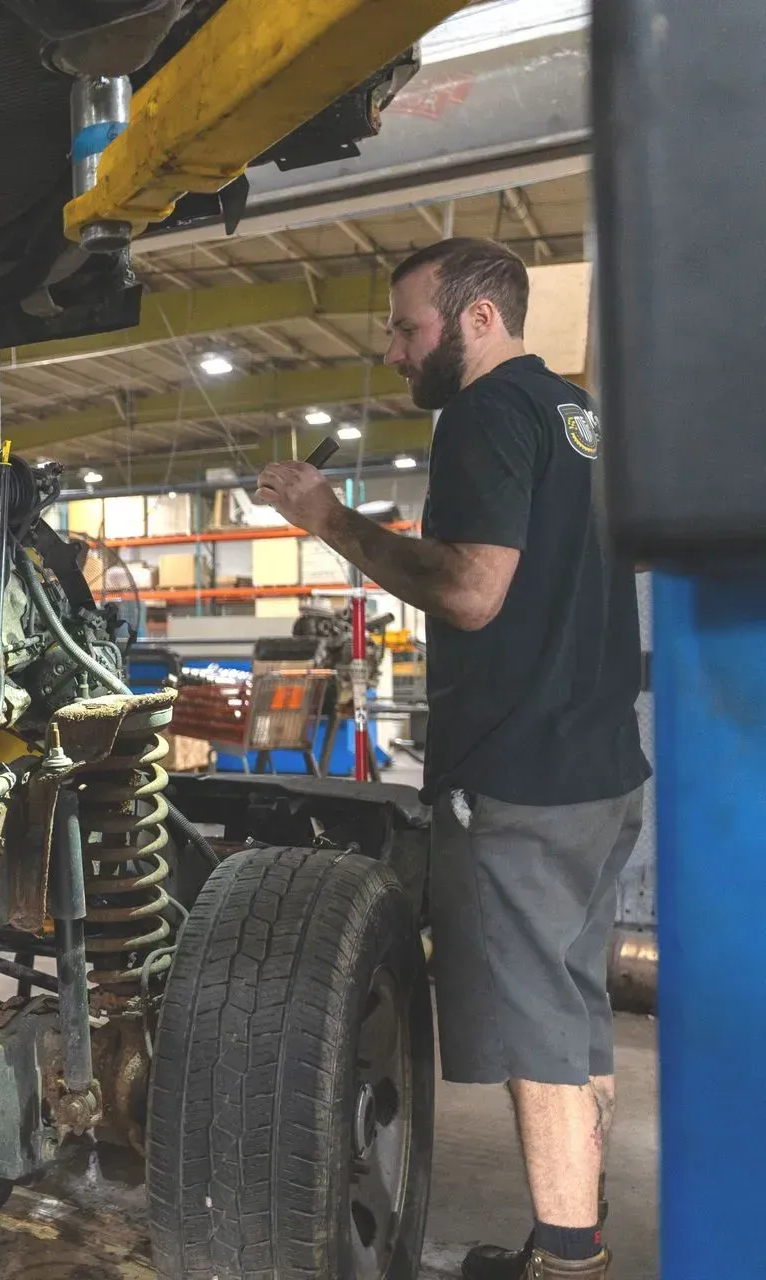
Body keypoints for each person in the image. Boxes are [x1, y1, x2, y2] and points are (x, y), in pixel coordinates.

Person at [255, 237, 648, 1280]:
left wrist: (333, 520)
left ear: (478, 318)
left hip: (521, 773)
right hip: (603, 765)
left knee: (539, 1040)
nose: (394, 348)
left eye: (408, 326)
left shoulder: (482, 413)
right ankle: (573, 1229)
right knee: (574, 1014)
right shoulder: (581, 416)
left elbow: (474, 589)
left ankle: (567, 1263)